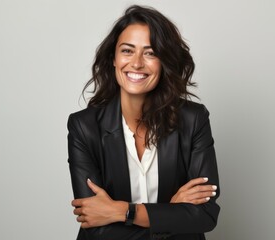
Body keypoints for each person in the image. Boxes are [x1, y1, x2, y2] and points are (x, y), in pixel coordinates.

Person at [67, 5, 220, 240]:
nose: (137, 63)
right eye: (127, 51)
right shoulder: (84, 127)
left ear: (165, 62)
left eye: (150, 53)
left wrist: (124, 212)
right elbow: (96, 226)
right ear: (113, 60)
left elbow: (206, 215)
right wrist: (171, 212)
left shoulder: (193, 119)